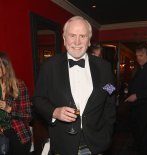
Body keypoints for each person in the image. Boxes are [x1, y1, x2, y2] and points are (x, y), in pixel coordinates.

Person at [33, 16, 116, 155]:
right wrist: (54, 112)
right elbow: (38, 99)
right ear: (64, 39)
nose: (77, 42)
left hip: (96, 143)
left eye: (82, 36)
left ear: (89, 41)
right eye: (72, 35)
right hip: (63, 144)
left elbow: (110, 98)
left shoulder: (104, 68)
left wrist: (108, 131)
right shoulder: (49, 66)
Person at [125, 43, 147, 155]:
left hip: (146, 107)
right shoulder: (140, 68)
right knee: (137, 130)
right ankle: (138, 148)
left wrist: (136, 96)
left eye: (141, 55)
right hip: (137, 107)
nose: (138, 58)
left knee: (145, 134)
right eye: (137, 56)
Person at [0, 52, 32, 155]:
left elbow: (28, 115)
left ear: (6, 66)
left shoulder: (19, 85)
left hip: (18, 136)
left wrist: (8, 108)